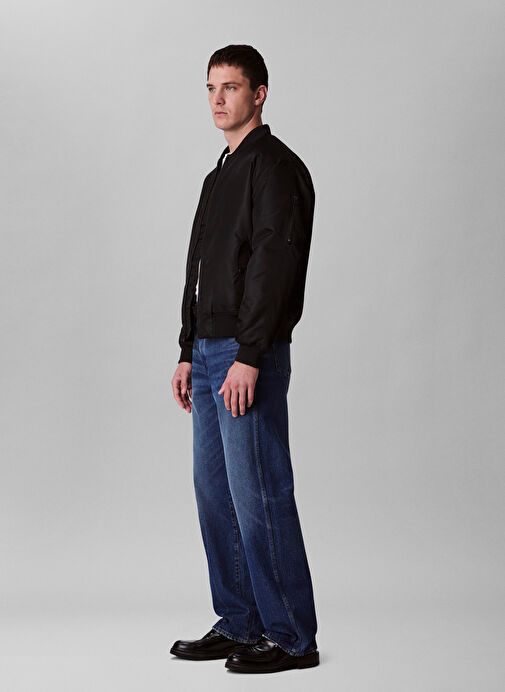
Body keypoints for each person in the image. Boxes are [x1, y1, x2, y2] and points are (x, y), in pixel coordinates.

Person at [170, 44, 319, 674]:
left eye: (230, 87)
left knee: (259, 491)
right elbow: (200, 267)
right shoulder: (219, 174)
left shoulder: (276, 168)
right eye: (210, 88)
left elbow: (272, 266)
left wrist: (251, 353)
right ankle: (240, 621)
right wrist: (186, 349)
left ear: (259, 93)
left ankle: (292, 637)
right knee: (215, 493)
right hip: (208, 353)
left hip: (244, 352)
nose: (217, 99)